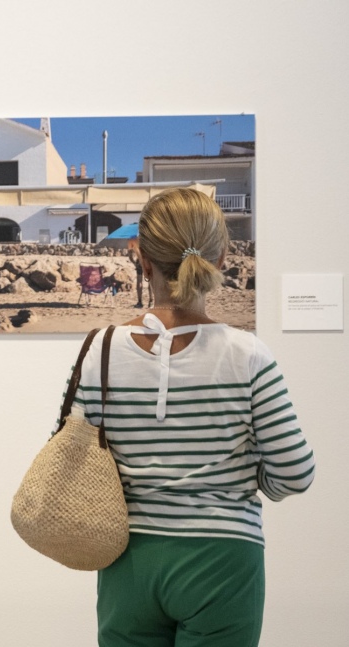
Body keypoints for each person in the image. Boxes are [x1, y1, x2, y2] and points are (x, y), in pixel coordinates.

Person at [61, 188, 315, 647]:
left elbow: (72, 461)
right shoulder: (248, 356)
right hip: (224, 558)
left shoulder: (99, 351)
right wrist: (249, 474)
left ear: (143, 262)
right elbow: (295, 474)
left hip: (128, 562)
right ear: (220, 257)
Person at [127, 241, 153, 308]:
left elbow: (130, 255)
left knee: (139, 281)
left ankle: (139, 302)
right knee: (150, 281)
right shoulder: (147, 238)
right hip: (147, 261)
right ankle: (151, 301)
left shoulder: (132, 240)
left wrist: (134, 263)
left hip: (139, 262)